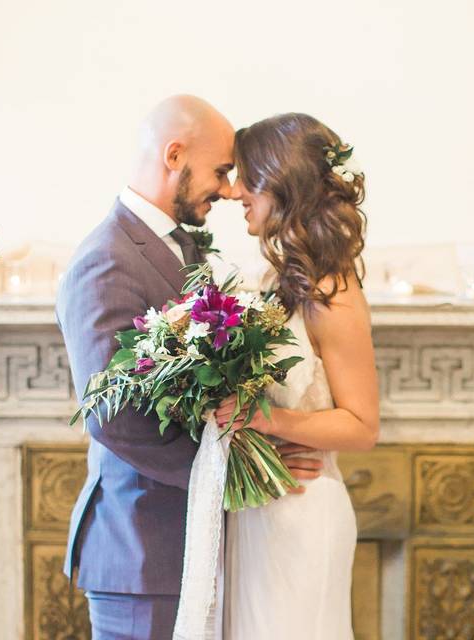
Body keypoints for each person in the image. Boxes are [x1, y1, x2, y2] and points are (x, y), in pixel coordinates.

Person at [56, 96, 323, 640]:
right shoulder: (106, 257)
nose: (228, 190)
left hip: (186, 546)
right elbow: (113, 413)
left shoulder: (183, 249)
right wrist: (241, 472)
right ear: (174, 154)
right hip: (141, 548)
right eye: (221, 171)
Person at [215, 112, 380, 639]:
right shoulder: (275, 279)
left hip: (304, 518)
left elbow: (362, 424)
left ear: (282, 181)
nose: (236, 190)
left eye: (248, 177)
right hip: (260, 510)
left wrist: (270, 420)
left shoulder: (332, 292)